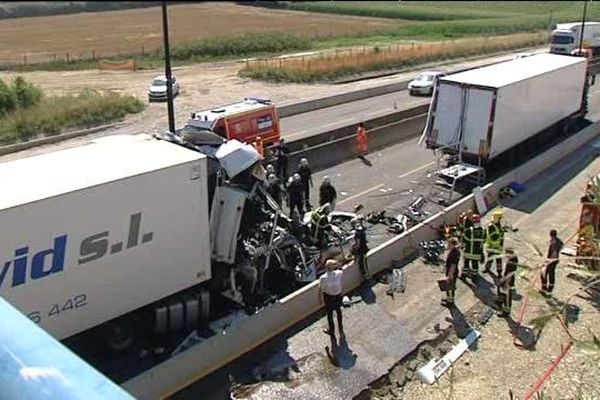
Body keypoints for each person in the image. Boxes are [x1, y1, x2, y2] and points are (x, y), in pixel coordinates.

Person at [319, 259, 344, 338]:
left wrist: (320, 299)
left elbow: (320, 289)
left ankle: (332, 331)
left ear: (326, 267)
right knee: (338, 312)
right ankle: (340, 328)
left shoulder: (323, 277)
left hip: (329, 297)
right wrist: (337, 264)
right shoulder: (339, 273)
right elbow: (341, 268)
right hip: (338, 295)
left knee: (330, 315)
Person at [461, 213, 485, 280]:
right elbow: (483, 241)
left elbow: (464, 238)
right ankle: (474, 277)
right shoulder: (482, 231)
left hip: (468, 251)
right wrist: (482, 253)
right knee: (475, 265)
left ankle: (463, 276)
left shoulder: (469, 230)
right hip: (476, 252)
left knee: (466, 264)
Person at [541, 229, 563, 295]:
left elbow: (554, 252)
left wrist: (548, 260)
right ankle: (550, 288)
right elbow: (562, 245)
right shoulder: (558, 241)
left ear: (550, 234)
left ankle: (545, 288)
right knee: (551, 274)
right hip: (555, 260)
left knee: (543, 273)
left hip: (551, 260)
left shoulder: (553, 242)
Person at [484, 209, 506, 277]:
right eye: (500, 218)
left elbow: (500, 232)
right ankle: (487, 268)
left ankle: (499, 273)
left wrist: (506, 229)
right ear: (497, 218)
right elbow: (494, 237)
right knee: (491, 258)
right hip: (493, 246)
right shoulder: (491, 226)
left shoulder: (498, 225)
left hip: (498, 246)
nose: (500, 219)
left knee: (498, 260)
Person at [498, 247, 518, 317]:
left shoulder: (511, 262)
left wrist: (506, 284)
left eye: (506, 254)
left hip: (509, 281)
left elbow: (510, 274)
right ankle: (500, 301)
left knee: (507, 297)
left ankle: (506, 312)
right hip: (507, 279)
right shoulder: (514, 258)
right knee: (502, 291)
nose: (505, 255)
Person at [442, 237, 461, 306]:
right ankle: (448, 299)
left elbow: (453, 264)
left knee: (449, 287)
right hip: (452, 271)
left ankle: (450, 302)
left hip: (452, 272)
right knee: (449, 287)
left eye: (449, 244)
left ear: (452, 244)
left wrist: (450, 274)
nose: (448, 245)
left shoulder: (454, 253)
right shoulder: (455, 251)